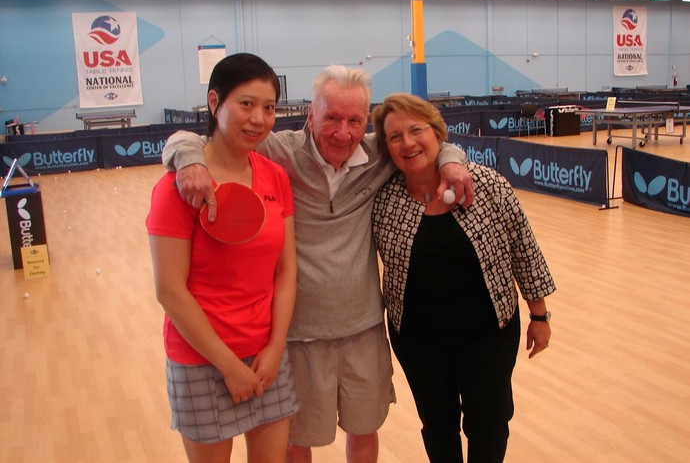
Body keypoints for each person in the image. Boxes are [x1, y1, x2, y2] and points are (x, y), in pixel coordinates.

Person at [161, 65, 475, 463]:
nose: (343, 132)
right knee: (296, 441)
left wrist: (451, 159)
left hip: (363, 328)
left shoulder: (381, 154)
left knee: (364, 431)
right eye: (331, 118)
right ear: (310, 114)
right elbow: (198, 138)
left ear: (365, 123)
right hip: (298, 335)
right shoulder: (278, 152)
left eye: (354, 121)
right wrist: (188, 158)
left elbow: (427, 140)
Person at [370, 93, 556, 463]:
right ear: (385, 147)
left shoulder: (488, 185)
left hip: (489, 331)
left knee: (489, 423)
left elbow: (524, 250)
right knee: (437, 425)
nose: (407, 142)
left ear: (438, 133)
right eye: (394, 137)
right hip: (418, 339)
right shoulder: (382, 199)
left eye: (416, 130)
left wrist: (539, 316)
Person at [146, 53, 299, 463]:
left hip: (267, 355)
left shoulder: (275, 177)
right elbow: (169, 290)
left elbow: (286, 271)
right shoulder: (176, 190)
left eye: (269, 108)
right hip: (202, 360)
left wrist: (275, 347)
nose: (259, 119)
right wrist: (228, 365)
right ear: (215, 103)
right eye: (246, 104)